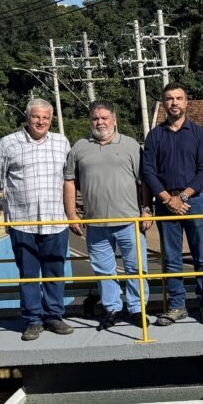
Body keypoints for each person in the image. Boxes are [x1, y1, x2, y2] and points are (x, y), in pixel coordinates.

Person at [0, 97, 74, 341]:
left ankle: (54, 317)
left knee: (55, 272)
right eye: (36, 116)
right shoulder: (8, 143)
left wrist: (71, 215)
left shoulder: (61, 142)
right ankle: (33, 321)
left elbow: (68, 179)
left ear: (51, 120)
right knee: (28, 274)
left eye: (45, 118)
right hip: (22, 222)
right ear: (27, 117)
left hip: (55, 220)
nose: (41, 121)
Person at [64, 103, 152, 330]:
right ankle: (112, 309)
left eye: (104, 118)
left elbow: (144, 180)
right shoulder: (80, 147)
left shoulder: (130, 145)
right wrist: (72, 214)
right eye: (95, 118)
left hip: (129, 221)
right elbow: (69, 181)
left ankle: (138, 309)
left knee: (136, 268)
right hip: (96, 223)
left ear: (114, 120)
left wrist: (146, 209)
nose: (100, 122)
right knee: (104, 270)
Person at [142, 83, 203, 326]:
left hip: (194, 201)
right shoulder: (154, 136)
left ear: (186, 102)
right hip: (165, 203)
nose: (174, 103)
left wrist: (182, 197)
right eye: (169, 99)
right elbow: (148, 172)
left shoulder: (199, 133)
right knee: (172, 258)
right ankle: (176, 306)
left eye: (179, 98)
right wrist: (167, 199)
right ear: (164, 103)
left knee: (201, 257)